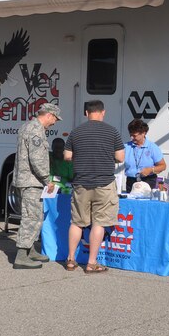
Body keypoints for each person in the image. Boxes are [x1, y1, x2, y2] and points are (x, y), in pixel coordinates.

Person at [63, 100, 124, 274]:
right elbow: (120, 157)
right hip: (104, 184)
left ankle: (70, 260)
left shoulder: (76, 132)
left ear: (86, 113)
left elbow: (67, 156)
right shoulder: (112, 132)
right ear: (103, 112)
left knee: (77, 222)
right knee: (100, 223)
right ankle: (91, 263)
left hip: (81, 183)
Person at [12, 102, 61, 269]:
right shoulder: (36, 130)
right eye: (55, 118)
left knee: (32, 216)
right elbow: (37, 159)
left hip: (25, 180)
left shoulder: (27, 126)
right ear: (48, 115)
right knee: (32, 217)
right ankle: (21, 256)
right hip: (31, 182)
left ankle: (30, 250)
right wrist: (48, 180)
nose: (54, 122)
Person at [124, 118, 166, 193]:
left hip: (148, 181)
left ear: (143, 133)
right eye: (130, 135)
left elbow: (163, 166)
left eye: (134, 135)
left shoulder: (152, 147)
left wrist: (151, 169)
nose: (132, 138)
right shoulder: (126, 146)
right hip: (131, 181)